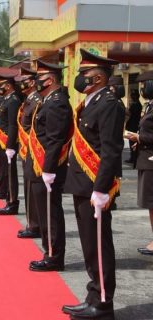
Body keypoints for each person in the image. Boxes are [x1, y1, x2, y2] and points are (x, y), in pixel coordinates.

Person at [62, 49, 124, 320]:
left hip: (94, 184)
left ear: (98, 78)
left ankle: (102, 304)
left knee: (98, 244)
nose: (80, 79)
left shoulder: (109, 103)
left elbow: (111, 150)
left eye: (83, 75)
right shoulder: (91, 101)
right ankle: (92, 294)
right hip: (81, 182)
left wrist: (101, 189)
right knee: (89, 244)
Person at [25, 60, 72, 272]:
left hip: (47, 167)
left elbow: (55, 139)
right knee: (44, 213)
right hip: (39, 164)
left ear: (50, 80)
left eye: (39, 78)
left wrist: (49, 169)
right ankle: (49, 251)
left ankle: (53, 256)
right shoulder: (48, 100)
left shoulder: (57, 102)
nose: (35, 82)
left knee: (50, 214)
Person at [125, 71, 153, 256]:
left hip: (151, 160)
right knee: (150, 204)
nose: (141, 90)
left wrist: (139, 136)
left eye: (145, 85)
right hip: (146, 159)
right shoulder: (149, 106)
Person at [15, 67, 42, 239]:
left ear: (32, 82)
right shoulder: (28, 100)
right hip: (26, 150)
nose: (21, 83)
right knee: (28, 189)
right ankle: (32, 223)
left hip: (34, 152)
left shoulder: (37, 101)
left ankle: (35, 225)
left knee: (33, 191)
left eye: (24, 80)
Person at [0, 73, 21, 215]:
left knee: (10, 174)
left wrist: (10, 145)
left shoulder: (13, 101)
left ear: (9, 86)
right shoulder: (6, 100)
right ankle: (8, 200)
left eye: (1, 86)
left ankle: (12, 203)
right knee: (4, 171)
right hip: (2, 141)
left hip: (7, 143)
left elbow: (12, 125)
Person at [125, 89, 142, 163]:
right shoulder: (137, 104)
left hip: (133, 125)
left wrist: (126, 109)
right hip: (134, 124)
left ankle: (133, 158)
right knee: (132, 142)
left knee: (132, 142)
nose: (132, 96)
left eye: (133, 95)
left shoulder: (135, 104)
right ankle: (133, 157)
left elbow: (129, 113)